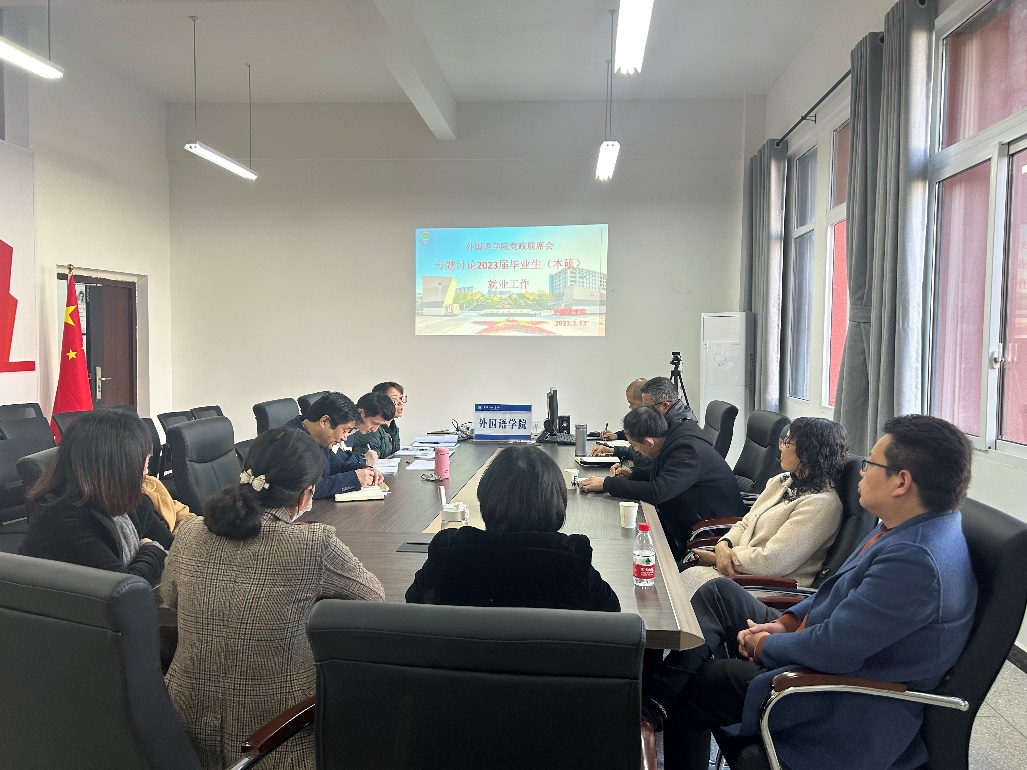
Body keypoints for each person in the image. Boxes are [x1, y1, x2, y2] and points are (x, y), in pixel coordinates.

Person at [648, 414, 978, 770]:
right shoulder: (905, 526)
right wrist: (786, 623)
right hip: (823, 641)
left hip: (840, 697)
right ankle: (655, 700)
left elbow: (833, 650)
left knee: (705, 682)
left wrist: (763, 645)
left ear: (901, 482)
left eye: (870, 465)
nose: (861, 473)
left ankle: (653, 705)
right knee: (718, 594)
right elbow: (835, 590)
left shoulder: (916, 561)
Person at [161, 427, 385, 770]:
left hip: (182, 731)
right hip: (278, 736)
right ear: (305, 495)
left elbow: (171, 597)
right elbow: (373, 601)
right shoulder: (313, 544)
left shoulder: (191, 532)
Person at [406, 445, 619, 611]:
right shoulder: (572, 559)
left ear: (486, 499)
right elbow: (611, 614)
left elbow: (413, 606)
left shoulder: (448, 553)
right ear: (556, 502)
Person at [682, 417, 847, 590]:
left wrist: (718, 558)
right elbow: (746, 522)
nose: (781, 447)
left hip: (768, 586)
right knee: (674, 576)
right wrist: (724, 544)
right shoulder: (782, 481)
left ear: (808, 451)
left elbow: (772, 561)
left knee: (677, 582)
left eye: (787, 442)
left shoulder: (821, 504)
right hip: (740, 571)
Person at [20, 409, 173, 587]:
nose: (147, 473)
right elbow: (126, 588)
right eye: (144, 465)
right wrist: (151, 550)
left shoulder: (127, 501)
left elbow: (174, 548)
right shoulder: (62, 521)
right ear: (120, 468)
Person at [579, 406, 744, 560]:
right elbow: (668, 472)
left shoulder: (687, 449)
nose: (635, 450)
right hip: (692, 514)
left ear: (649, 442)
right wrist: (634, 474)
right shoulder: (673, 436)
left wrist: (608, 484)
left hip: (715, 529)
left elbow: (658, 492)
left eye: (635, 445)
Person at [285, 391, 384, 498]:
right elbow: (305, 490)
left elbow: (336, 467)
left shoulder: (318, 437)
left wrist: (365, 470)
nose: (345, 437)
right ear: (324, 421)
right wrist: (353, 479)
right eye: (344, 430)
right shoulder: (291, 442)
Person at [351, 384, 404, 459]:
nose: (400, 403)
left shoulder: (393, 428)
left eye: (401, 398)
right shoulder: (364, 432)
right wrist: (363, 460)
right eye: (394, 400)